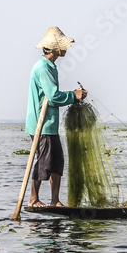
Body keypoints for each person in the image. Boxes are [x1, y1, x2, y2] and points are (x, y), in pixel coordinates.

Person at [26, 26, 87, 207]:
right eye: (63, 46)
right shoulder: (43, 68)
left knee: (57, 161)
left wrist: (73, 96)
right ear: (55, 49)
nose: (66, 48)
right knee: (44, 161)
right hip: (41, 124)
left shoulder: (50, 66)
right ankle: (33, 199)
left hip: (49, 124)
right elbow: (52, 97)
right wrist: (73, 96)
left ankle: (55, 200)